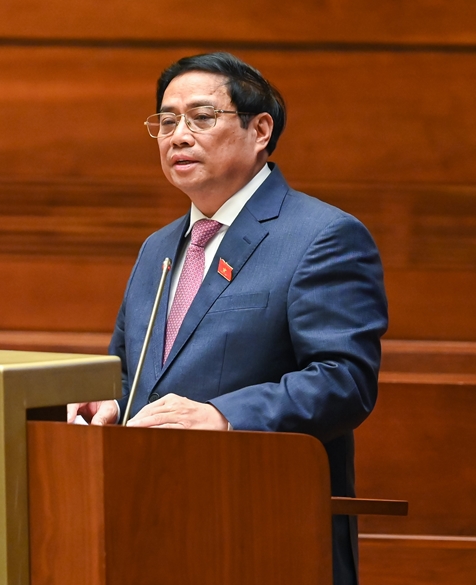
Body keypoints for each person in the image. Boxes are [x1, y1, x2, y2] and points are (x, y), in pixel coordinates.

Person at [67, 52, 388, 585]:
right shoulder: (158, 248)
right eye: (166, 121)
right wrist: (109, 402)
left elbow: (344, 380)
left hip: (263, 530)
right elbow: (131, 372)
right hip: (148, 527)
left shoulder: (322, 237)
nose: (178, 136)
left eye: (201, 117)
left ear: (260, 130)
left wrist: (224, 415)